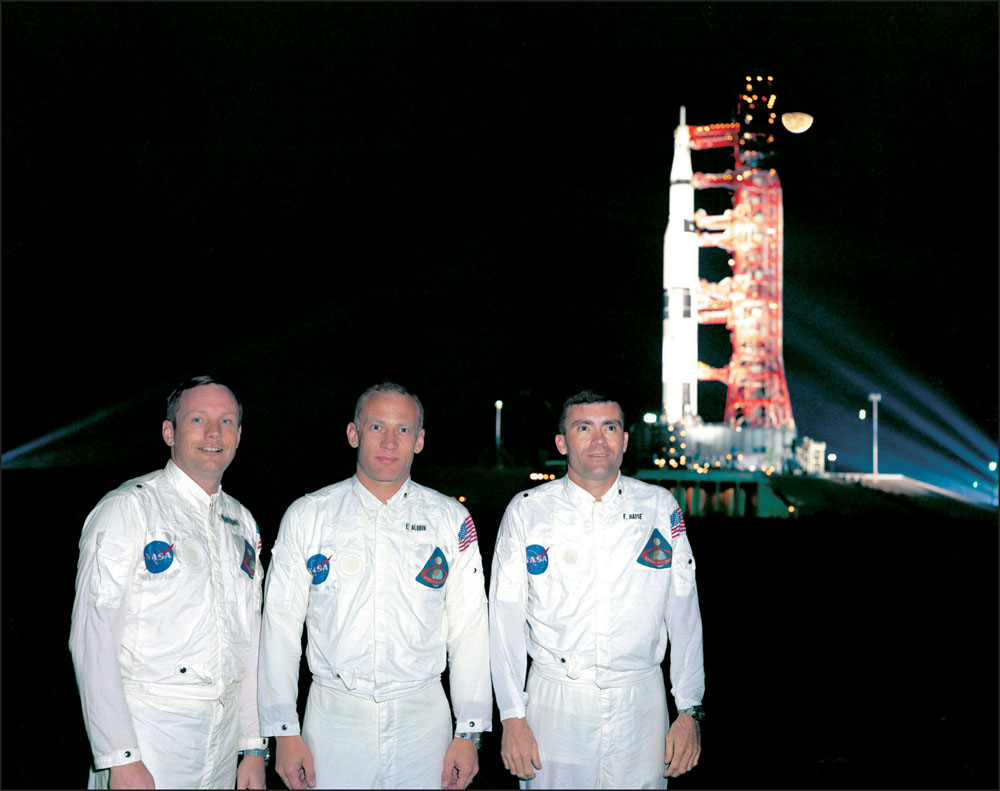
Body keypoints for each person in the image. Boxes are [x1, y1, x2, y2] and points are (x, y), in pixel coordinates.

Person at [258, 382, 491, 790]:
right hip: (334, 717)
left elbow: (470, 629)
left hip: (423, 717)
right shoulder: (308, 515)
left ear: (419, 441)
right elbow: (279, 628)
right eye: (377, 427)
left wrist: (468, 732)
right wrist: (284, 731)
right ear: (354, 433)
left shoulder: (450, 518)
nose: (389, 441)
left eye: (403, 430)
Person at [489, 390, 704, 789]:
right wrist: (512, 716)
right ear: (562, 442)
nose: (599, 439)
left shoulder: (660, 507)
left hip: (641, 700)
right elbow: (504, 623)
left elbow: (685, 615)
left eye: (610, 427)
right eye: (583, 428)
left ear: (625, 440)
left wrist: (689, 710)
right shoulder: (527, 511)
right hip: (556, 701)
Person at [69, 375, 268, 790]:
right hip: (150, 731)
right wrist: (120, 756)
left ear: (240, 434)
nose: (214, 433)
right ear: (169, 431)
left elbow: (250, 643)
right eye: (198, 419)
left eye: (227, 421)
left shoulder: (242, 523)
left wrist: (252, 747)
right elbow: (93, 641)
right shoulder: (129, 508)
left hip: (223, 732)